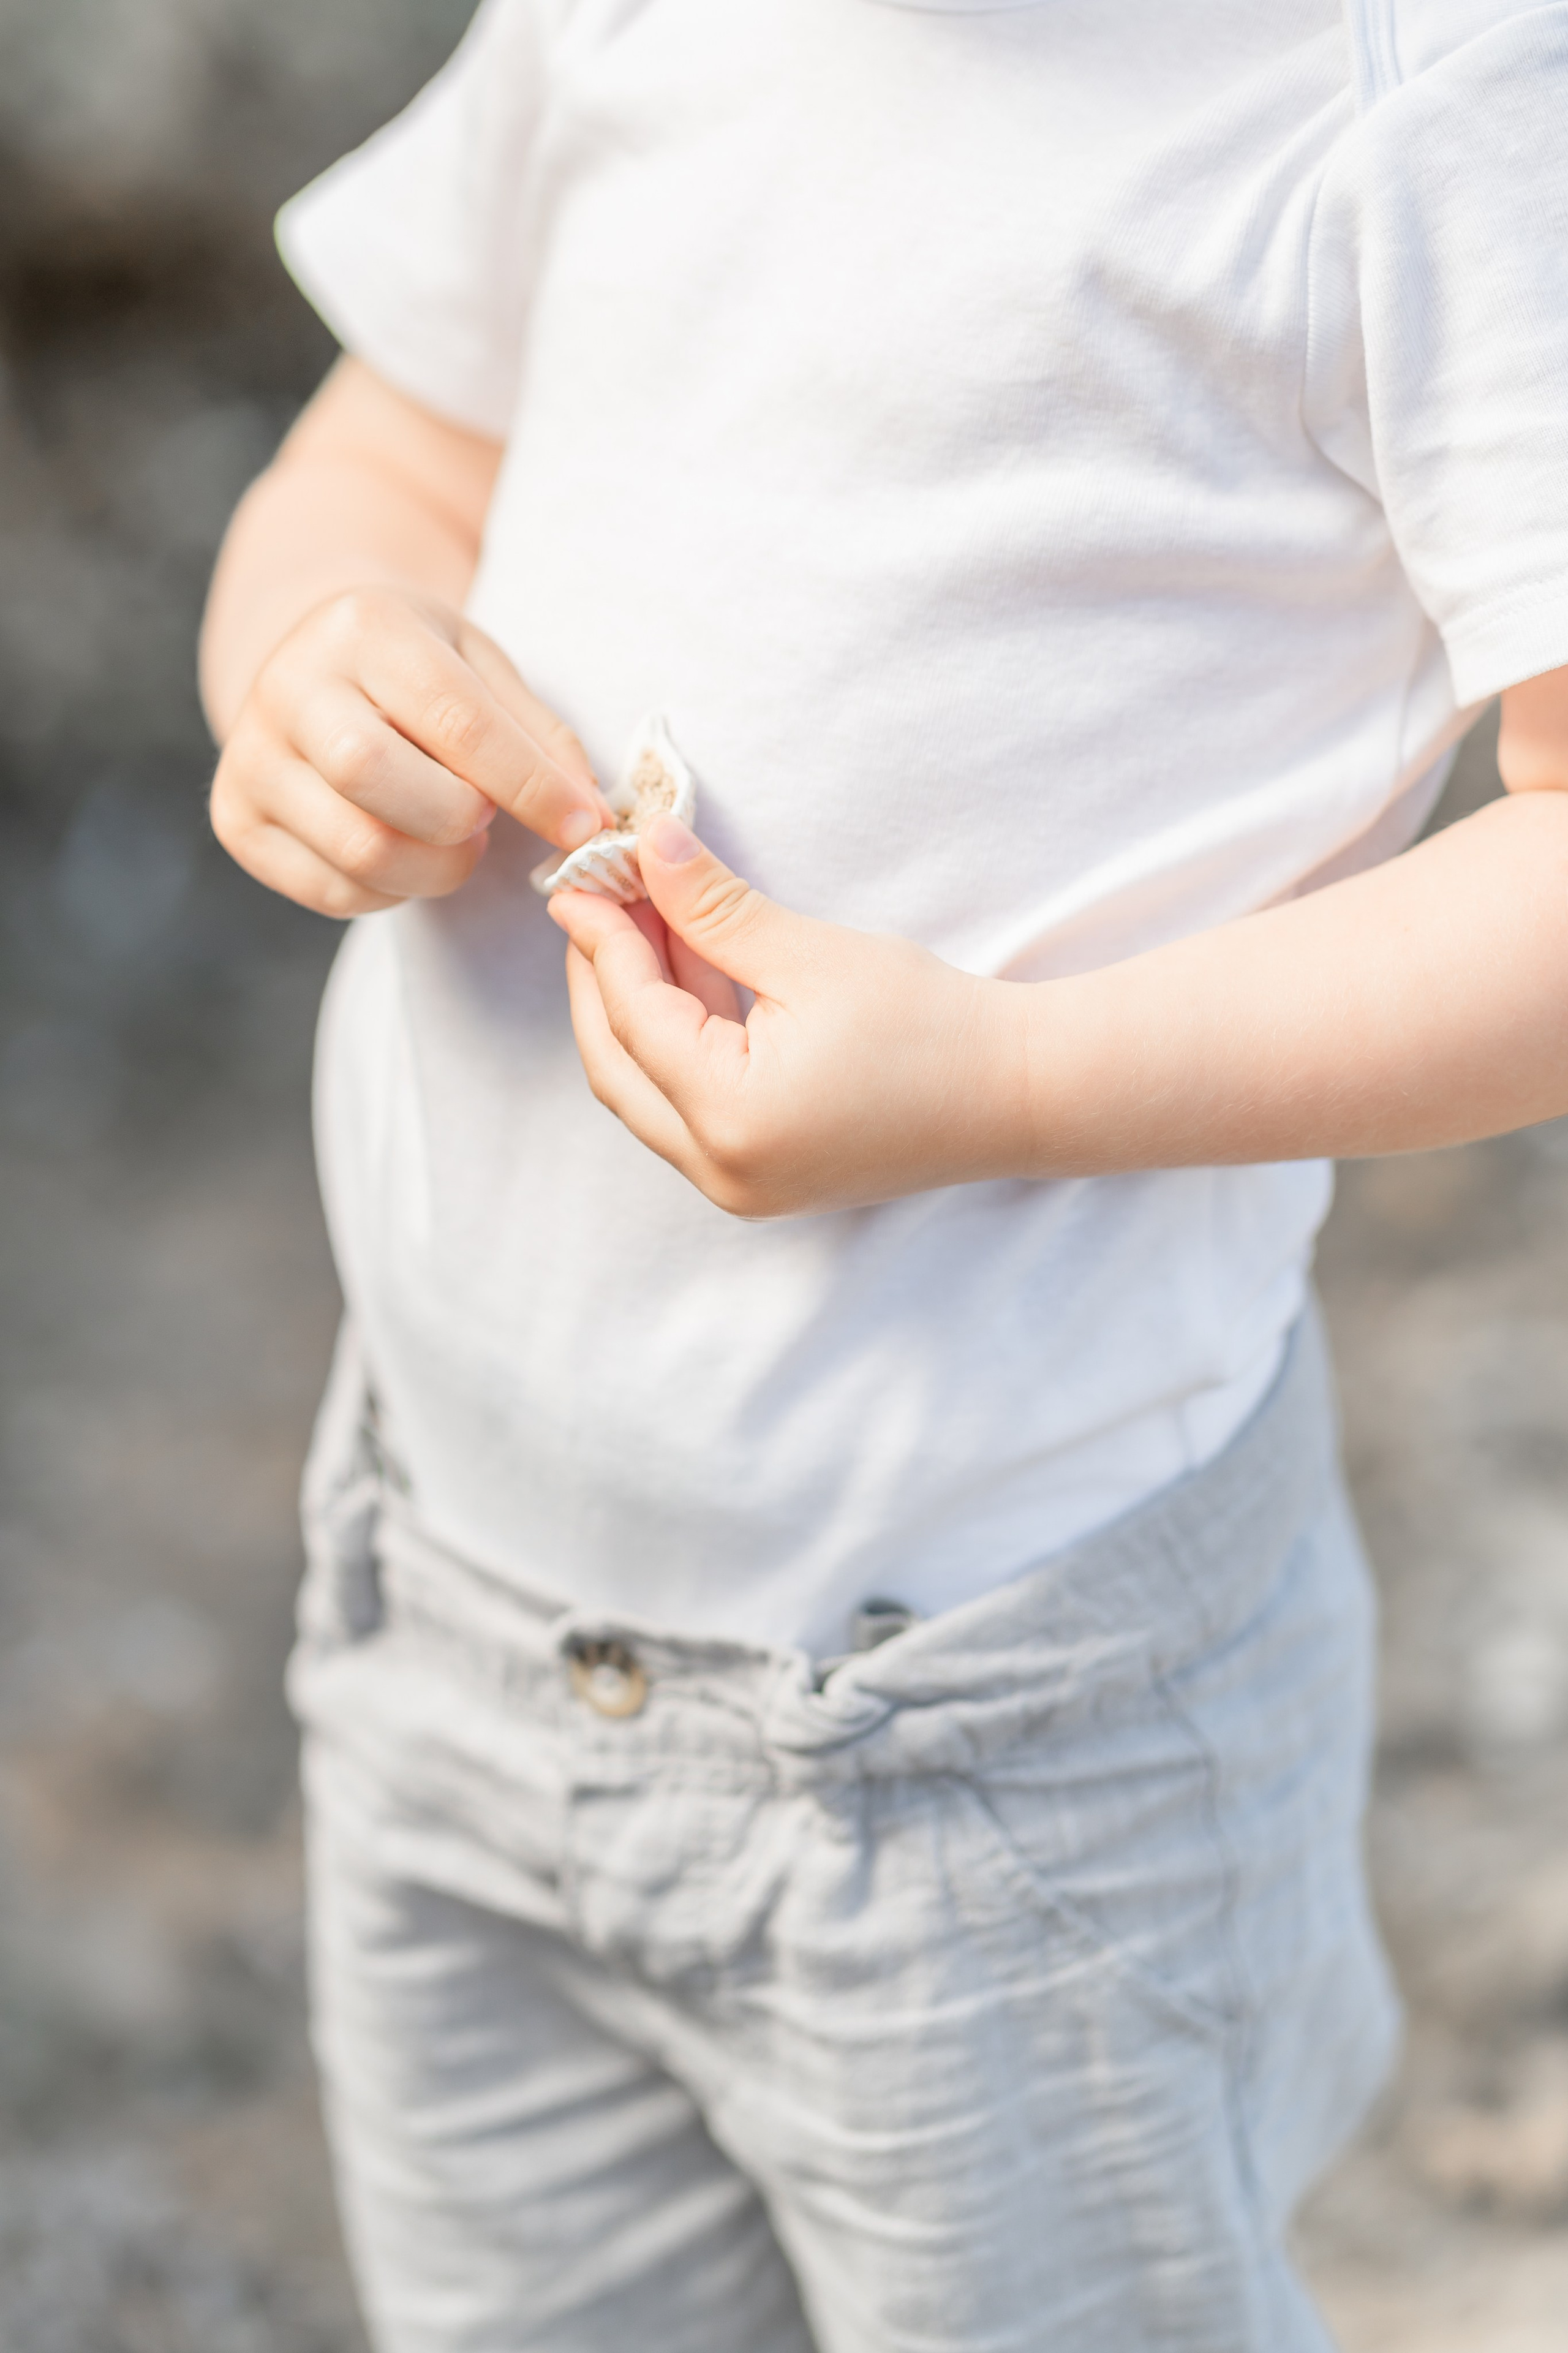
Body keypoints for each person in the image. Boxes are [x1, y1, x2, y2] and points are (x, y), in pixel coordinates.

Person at [198, 3, 1568, 2346]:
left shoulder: (1423, 100)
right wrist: (305, 677)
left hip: (1000, 1727)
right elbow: (401, 455)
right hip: (441, 1604)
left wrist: (1015, 1080)